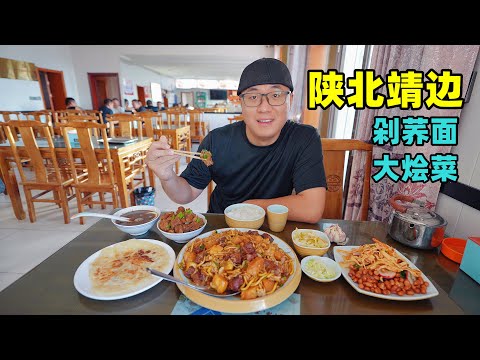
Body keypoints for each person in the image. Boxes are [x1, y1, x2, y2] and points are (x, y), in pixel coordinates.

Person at [146, 58, 327, 223]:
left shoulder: (304, 138)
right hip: (222, 227)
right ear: (241, 103)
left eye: (276, 95)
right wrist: (168, 177)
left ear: (290, 100)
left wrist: (251, 206)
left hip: (273, 227)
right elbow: (186, 194)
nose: (264, 107)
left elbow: (311, 209)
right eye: (253, 97)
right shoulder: (217, 141)